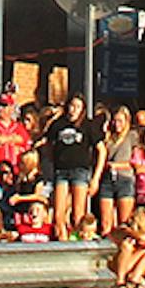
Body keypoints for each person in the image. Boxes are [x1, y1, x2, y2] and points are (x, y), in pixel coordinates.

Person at [43, 94, 96, 240]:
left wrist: (95, 177)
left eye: (78, 107)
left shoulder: (88, 125)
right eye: (72, 106)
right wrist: (54, 160)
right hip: (61, 171)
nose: (73, 110)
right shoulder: (58, 124)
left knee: (78, 212)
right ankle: (63, 239)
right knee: (59, 212)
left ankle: (78, 238)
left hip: (80, 170)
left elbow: (101, 149)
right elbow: (48, 144)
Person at [94, 105, 137, 237]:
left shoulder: (132, 136)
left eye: (120, 121)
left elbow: (135, 161)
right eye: (115, 121)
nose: (117, 124)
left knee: (124, 221)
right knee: (106, 221)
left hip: (124, 178)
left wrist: (117, 165)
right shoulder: (109, 138)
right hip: (108, 180)